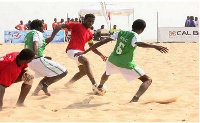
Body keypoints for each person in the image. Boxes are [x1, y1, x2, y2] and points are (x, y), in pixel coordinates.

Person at [74, 19, 169, 102]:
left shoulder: (120, 32)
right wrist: (154, 46)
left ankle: (100, 86)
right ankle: (135, 99)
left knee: (107, 72)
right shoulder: (135, 36)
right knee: (148, 80)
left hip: (112, 60)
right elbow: (139, 43)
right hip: (125, 64)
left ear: (132, 26)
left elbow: (102, 42)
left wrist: (85, 51)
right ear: (142, 30)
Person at [53, 14, 107, 88]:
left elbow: (92, 47)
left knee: (83, 72)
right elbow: (60, 26)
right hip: (71, 50)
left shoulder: (90, 34)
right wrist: (52, 36)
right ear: (84, 20)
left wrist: (101, 55)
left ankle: (68, 84)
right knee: (85, 61)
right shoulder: (77, 25)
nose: (90, 23)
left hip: (81, 52)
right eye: (89, 21)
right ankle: (94, 84)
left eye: (92, 21)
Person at [24, 19, 67, 96]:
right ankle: (45, 86)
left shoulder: (28, 34)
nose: (43, 29)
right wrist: (35, 54)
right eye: (42, 27)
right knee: (64, 72)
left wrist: (43, 56)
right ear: (38, 27)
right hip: (36, 59)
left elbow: (40, 44)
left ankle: (35, 92)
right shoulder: (37, 33)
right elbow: (35, 43)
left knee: (48, 75)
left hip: (30, 62)